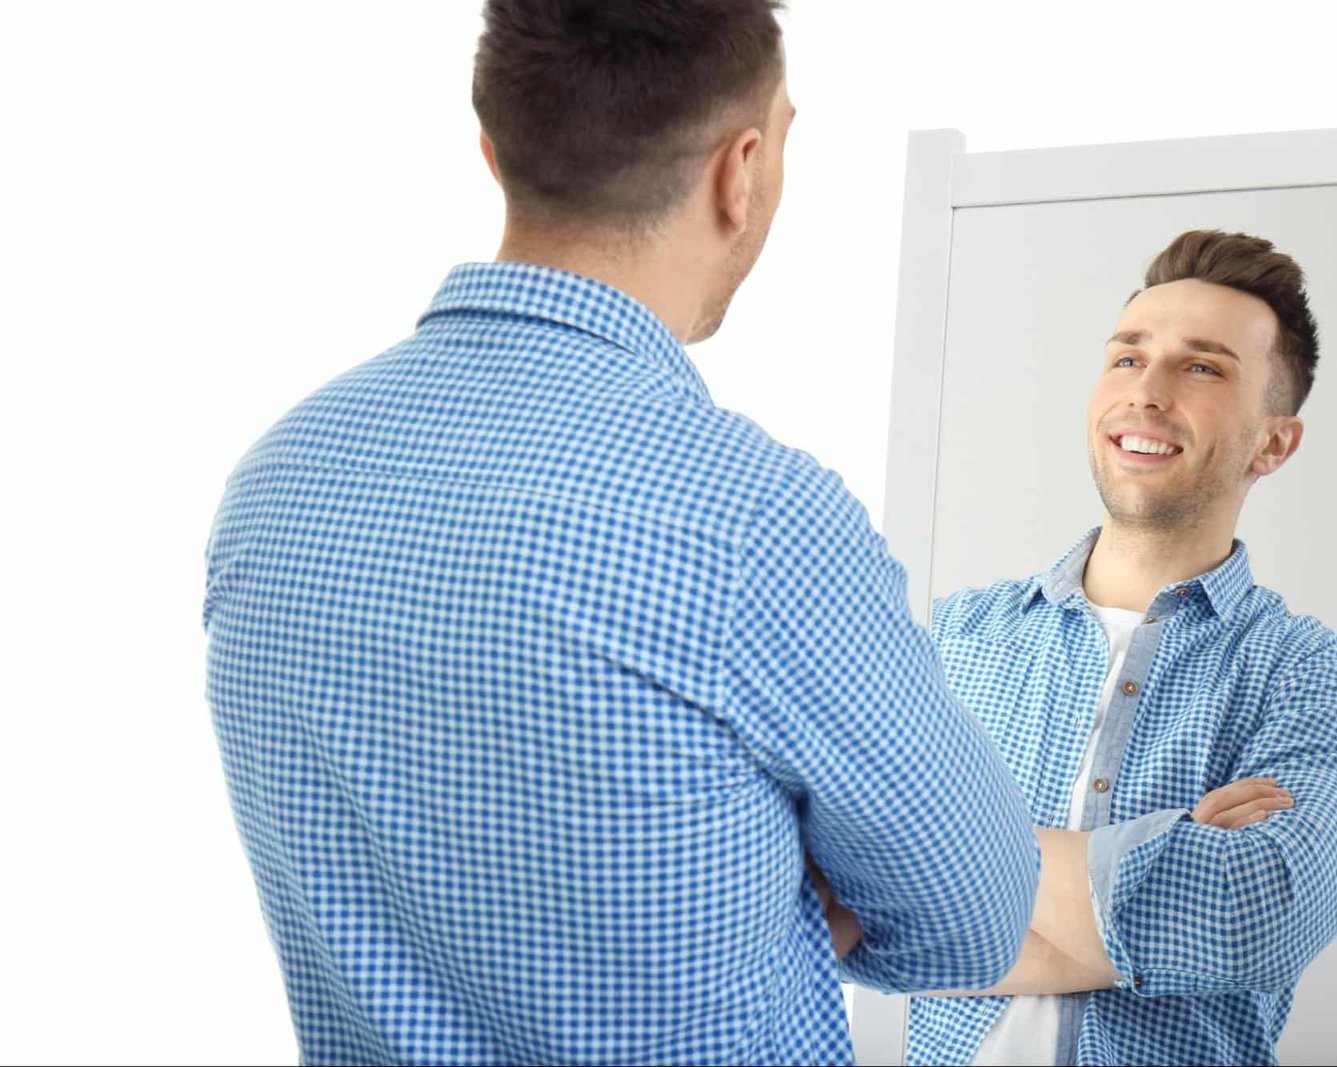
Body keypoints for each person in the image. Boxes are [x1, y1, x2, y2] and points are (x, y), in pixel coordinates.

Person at [201, 3, 1040, 1064]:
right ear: (742, 171)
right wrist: (784, 890)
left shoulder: (278, 479)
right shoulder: (755, 523)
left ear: (495, 150)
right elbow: (972, 914)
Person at [832, 230, 1337, 1065]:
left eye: (1203, 367)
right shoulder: (955, 636)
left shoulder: (1313, 674)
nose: (1147, 393)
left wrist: (939, 839)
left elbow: (1252, 914)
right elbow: (840, 900)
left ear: (1273, 442)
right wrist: (1162, 861)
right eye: (1127, 358)